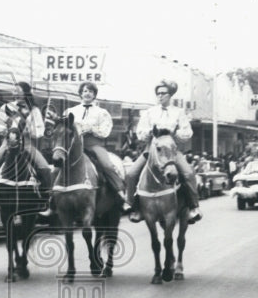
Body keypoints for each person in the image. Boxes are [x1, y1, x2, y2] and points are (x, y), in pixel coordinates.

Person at [124, 80, 202, 224]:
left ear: (170, 95)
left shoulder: (179, 112)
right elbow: (140, 132)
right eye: (158, 93)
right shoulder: (149, 112)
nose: (160, 96)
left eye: (163, 93)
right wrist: (150, 132)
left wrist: (175, 133)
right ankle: (132, 206)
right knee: (131, 173)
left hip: (171, 151)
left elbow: (187, 131)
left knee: (188, 173)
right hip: (151, 150)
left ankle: (193, 207)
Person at [0, 82, 54, 216]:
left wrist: (30, 130)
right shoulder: (6, 107)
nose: (15, 93)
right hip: (7, 143)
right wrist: (5, 130)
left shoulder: (33, 110)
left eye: (18, 91)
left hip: (27, 144)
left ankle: (46, 199)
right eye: (14, 91)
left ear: (25, 92)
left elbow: (39, 130)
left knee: (45, 168)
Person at [49, 81, 128, 207]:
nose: (87, 94)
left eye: (90, 91)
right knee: (55, 169)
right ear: (80, 94)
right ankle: (51, 200)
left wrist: (91, 129)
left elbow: (105, 131)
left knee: (107, 165)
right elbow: (63, 127)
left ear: (94, 94)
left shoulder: (102, 112)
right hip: (72, 145)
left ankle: (120, 193)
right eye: (85, 91)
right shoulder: (70, 110)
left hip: (93, 144)